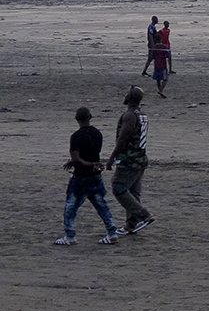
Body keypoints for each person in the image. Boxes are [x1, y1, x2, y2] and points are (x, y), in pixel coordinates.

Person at [58, 106, 121, 245]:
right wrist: (92, 164)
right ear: (90, 117)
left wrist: (83, 163)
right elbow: (89, 154)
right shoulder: (97, 134)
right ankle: (112, 233)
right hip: (95, 176)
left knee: (71, 206)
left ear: (76, 118)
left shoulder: (75, 137)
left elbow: (77, 158)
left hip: (81, 176)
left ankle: (70, 236)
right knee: (101, 205)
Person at [107, 86, 155, 235]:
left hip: (129, 158)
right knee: (133, 192)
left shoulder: (129, 116)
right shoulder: (142, 115)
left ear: (130, 98)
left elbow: (123, 139)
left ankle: (143, 214)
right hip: (140, 158)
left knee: (118, 187)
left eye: (127, 93)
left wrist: (112, 157)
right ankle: (130, 225)